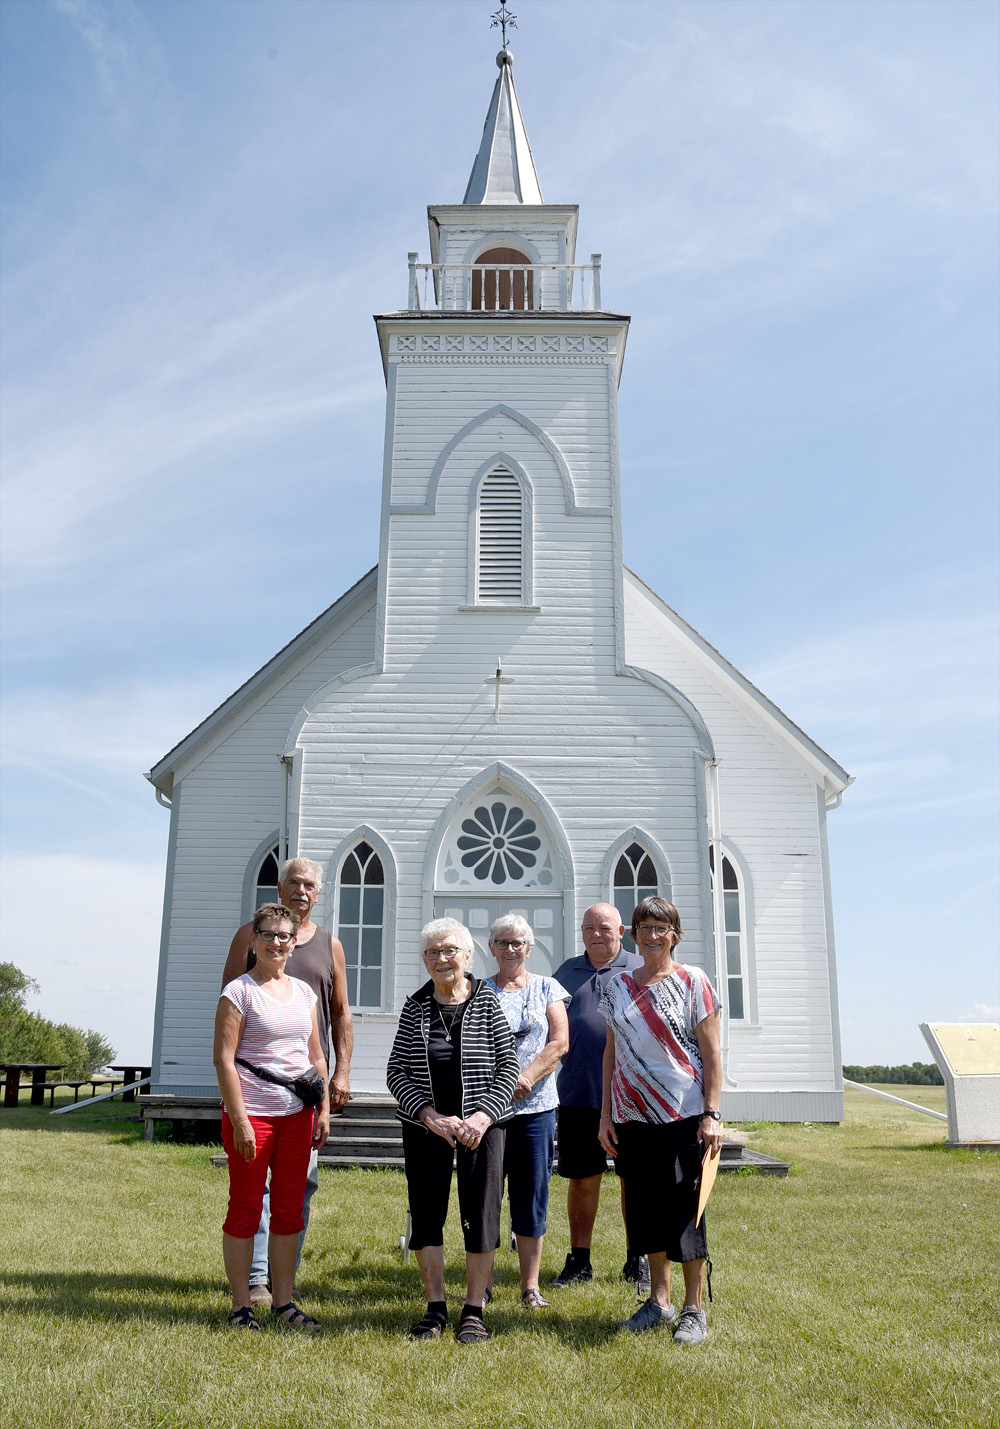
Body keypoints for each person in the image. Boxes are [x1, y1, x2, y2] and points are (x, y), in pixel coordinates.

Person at [221, 856, 353, 1306]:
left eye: (309, 885)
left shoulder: (329, 945)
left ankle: (284, 1283)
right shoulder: (247, 936)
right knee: (251, 1194)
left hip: (303, 1097)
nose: (301, 890)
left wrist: (340, 1075)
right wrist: (235, 1100)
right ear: (280, 888)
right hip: (256, 1095)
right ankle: (255, 1281)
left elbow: (338, 1015)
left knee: (298, 1191)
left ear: (319, 893)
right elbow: (228, 1013)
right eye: (293, 882)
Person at [386, 918, 519, 1345]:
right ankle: (435, 1307)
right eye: (432, 952)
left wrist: (483, 1116)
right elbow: (396, 1071)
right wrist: (429, 1115)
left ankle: (474, 1310)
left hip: (482, 1128)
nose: (441, 959)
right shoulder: (415, 1006)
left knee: (481, 1214)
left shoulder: (488, 1002)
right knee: (426, 1214)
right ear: (424, 960)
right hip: (428, 1130)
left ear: (466, 955)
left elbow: (508, 1067)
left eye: (449, 950)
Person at [598, 895, 723, 1344]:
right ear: (632, 933)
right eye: (644, 927)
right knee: (647, 1209)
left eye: (661, 927)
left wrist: (711, 1113)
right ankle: (659, 1301)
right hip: (633, 1115)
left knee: (685, 1210)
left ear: (675, 934)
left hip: (683, 1114)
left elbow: (711, 1053)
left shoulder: (694, 981)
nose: (652, 935)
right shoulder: (615, 987)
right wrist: (606, 1115)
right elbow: (611, 1054)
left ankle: (693, 1309)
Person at [213, 903, 330, 1332]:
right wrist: (240, 1119)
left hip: (297, 1116)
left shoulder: (304, 992)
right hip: (253, 1115)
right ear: (253, 939)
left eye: (284, 936)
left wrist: (323, 1110)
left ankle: (283, 1303)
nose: (276, 942)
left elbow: (315, 1055)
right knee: (245, 1207)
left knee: (288, 1212)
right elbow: (224, 1060)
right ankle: (241, 1306)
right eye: (268, 934)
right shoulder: (238, 992)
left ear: (294, 941)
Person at [551, 903, 644, 1290]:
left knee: (633, 1179)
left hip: (634, 1097)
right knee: (583, 1178)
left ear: (621, 930)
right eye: (588, 927)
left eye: (603, 928)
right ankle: (579, 1261)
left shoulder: (641, 968)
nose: (595, 934)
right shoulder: (565, 972)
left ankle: (638, 1259)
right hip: (579, 1094)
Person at [484, 914, 570, 1310]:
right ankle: (480, 1283)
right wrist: (497, 1090)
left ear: (529, 948)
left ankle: (530, 1285)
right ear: (491, 948)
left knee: (531, 1195)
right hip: (487, 1112)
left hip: (536, 1109)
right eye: (502, 942)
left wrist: (524, 1080)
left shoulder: (547, 987)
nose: (510, 949)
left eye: (518, 942)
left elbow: (559, 1042)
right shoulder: (478, 992)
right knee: (484, 1196)